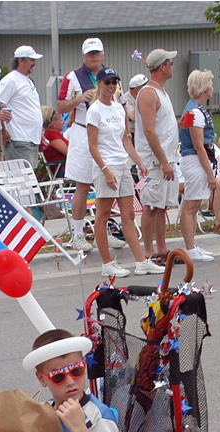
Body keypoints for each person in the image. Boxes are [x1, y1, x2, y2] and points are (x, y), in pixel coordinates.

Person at [86, 68, 163, 278]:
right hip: (106, 166)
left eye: (114, 82)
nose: (111, 86)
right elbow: (92, 145)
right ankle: (107, 263)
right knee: (102, 216)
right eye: (107, 82)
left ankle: (141, 261)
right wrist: (105, 170)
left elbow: (125, 139)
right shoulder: (94, 110)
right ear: (99, 84)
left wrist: (139, 161)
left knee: (128, 214)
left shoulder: (119, 108)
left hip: (122, 163)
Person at [57, 38, 109, 252]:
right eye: (90, 53)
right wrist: (78, 100)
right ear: (83, 56)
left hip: (106, 133)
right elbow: (59, 106)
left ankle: (105, 231)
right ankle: (78, 233)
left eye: (97, 53)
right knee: (83, 185)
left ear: (103, 55)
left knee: (108, 184)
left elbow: (121, 102)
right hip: (82, 130)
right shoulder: (72, 77)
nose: (94, 56)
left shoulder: (111, 76)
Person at [135, 48, 180, 264]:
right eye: (170, 63)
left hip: (168, 158)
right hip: (154, 162)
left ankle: (162, 249)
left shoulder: (162, 92)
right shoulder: (148, 93)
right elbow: (149, 130)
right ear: (162, 66)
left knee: (162, 206)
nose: (173, 66)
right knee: (151, 205)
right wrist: (162, 161)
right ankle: (149, 250)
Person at [178, 69, 220, 262]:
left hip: (195, 159)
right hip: (195, 160)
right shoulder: (195, 112)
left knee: (195, 203)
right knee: (190, 205)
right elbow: (199, 146)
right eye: (210, 84)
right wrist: (209, 173)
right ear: (205, 88)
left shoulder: (194, 110)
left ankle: (192, 246)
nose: (212, 88)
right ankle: (190, 249)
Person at [0, 45, 44, 169]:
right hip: (19, 139)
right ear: (21, 60)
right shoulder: (10, 80)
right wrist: (3, 130)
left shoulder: (27, 81)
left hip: (31, 139)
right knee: (21, 180)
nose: (34, 63)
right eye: (31, 60)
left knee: (28, 179)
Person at [39, 106, 68, 177]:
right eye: (61, 120)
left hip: (65, 167)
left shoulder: (55, 135)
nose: (64, 122)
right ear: (53, 124)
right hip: (61, 169)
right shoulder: (51, 135)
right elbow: (68, 152)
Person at [124, 73, 148, 142]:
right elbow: (133, 116)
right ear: (137, 89)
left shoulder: (147, 96)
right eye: (145, 86)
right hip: (132, 134)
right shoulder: (126, 99)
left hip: (144, 131)